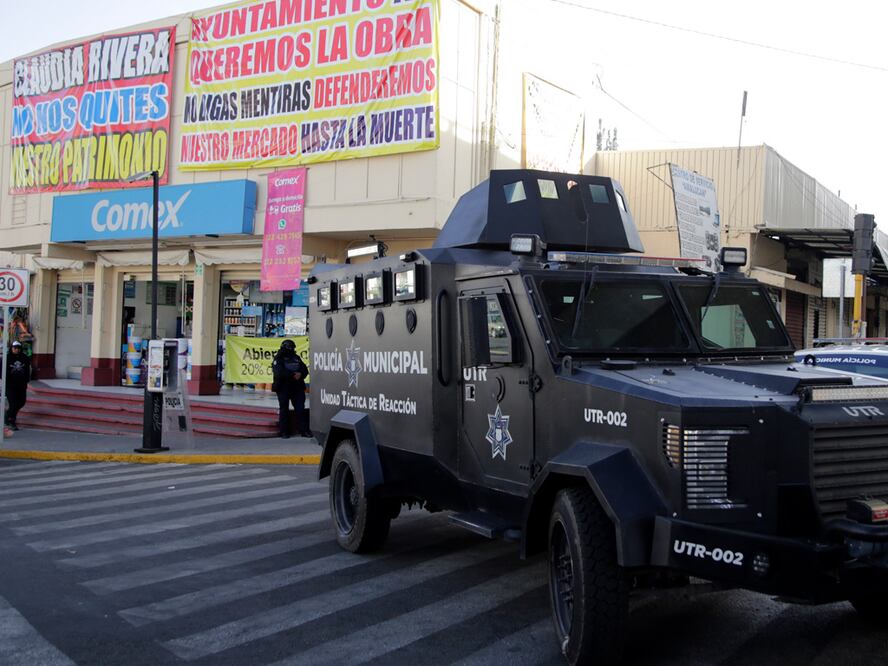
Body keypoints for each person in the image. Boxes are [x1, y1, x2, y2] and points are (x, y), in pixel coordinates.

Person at [272, 339, 310, 439]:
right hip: (283, 387)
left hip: (297, 388)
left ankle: (304, 430)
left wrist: (300, 374)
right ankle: (284, 432)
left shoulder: (296, 358)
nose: (292, 349)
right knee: (284, 410)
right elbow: (279, 372)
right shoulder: (279, 358)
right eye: (290, 347)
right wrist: (293, 375)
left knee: (300, 409)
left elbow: (304, 369)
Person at [5, 341, 31, 430]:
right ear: (11, 348)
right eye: (15, 348)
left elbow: (27, 370)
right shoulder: (7, 358)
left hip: (21, 385)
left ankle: (8, 414)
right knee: (13, 403)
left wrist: (27, 380)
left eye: (18, 348)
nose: (16, 350)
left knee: (21, 402)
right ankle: (12, 421)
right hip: (10, 385)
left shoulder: (25, 358)